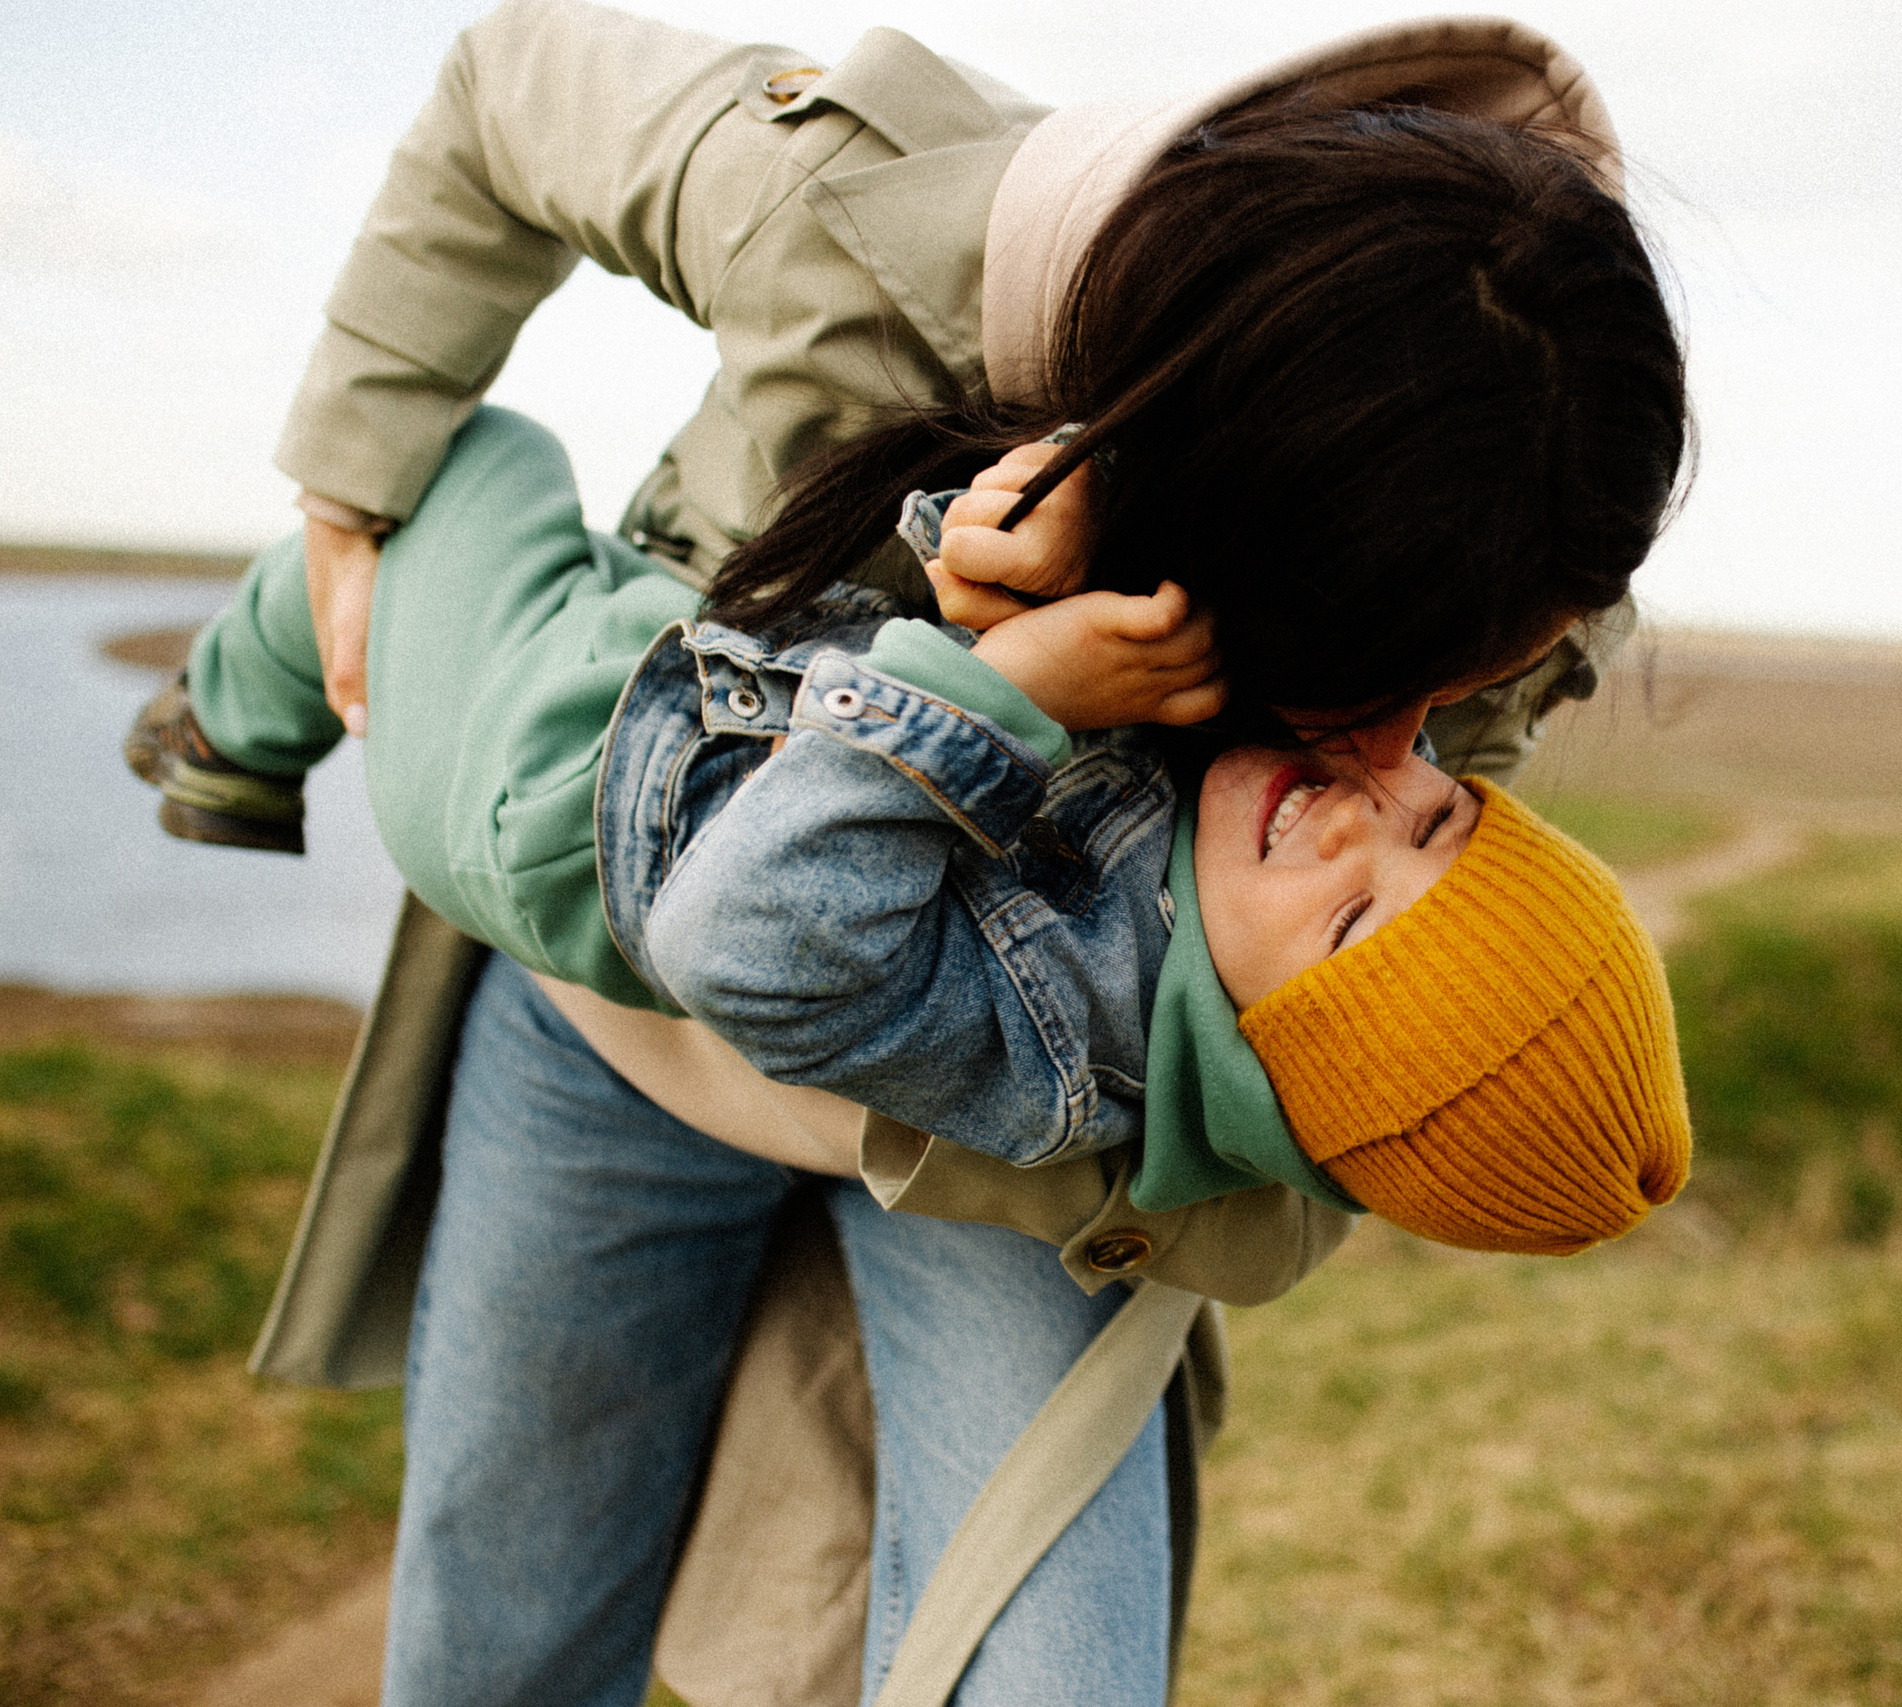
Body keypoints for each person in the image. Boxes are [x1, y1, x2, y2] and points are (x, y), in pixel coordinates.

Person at [186, 5, 1689, 1704]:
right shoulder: (858, 214)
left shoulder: (1529, 499)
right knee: (507, 1602)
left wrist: (1007, 688)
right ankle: (253, 679)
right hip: (619, 1019)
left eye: (1462, 696)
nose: (1395, 758)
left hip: (1029, 1157)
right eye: (1364, 686)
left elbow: (1383, 1036)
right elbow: (506, 83)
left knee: (1051, 1661)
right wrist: (346, 501)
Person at [136, 404, 1690, 1253]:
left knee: (470, 461)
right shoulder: (1218, 880)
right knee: (489, 534)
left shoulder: (1060, 1052)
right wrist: (1010, 550)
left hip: (544, 785)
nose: (1357, 824)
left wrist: (1009, 686)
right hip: (671, 679)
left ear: (1283, 1058)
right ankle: (285, 671)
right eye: (1438, 819)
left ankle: (237, 717)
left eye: (1354, 924)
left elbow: (743, 944)